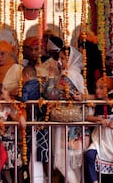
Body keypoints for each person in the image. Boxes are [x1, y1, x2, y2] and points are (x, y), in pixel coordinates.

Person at [44, 46, 87, 183]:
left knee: (62, 162)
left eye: (63, 58)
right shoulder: (76, 74)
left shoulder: (67, 76)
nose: (60, 61)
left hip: (66, 124)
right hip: (74, 123)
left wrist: (51, 74)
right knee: (73, 166)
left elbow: (51, 95)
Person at [84, 76, 113, 183]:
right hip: (99, 139)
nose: (97, 91)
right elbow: (87, 117)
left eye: (101, 88)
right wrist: (99, 119)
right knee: (89, 154)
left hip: (111, 139)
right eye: (97, 88)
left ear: (109, 89)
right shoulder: (96, 103)